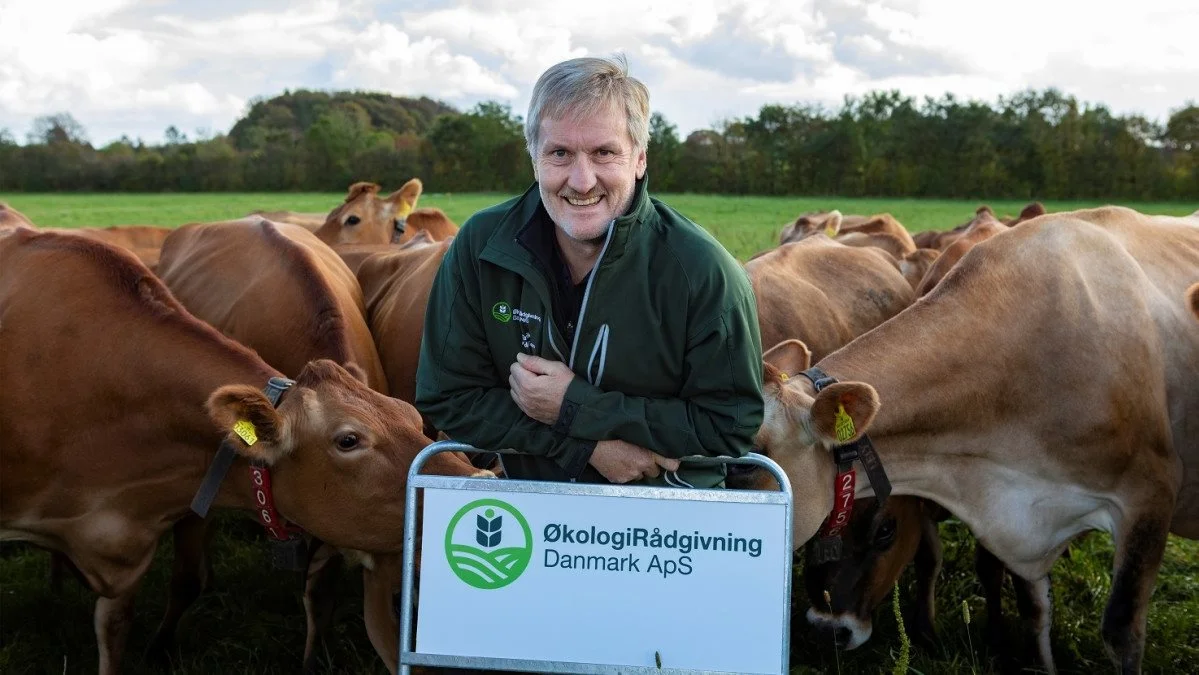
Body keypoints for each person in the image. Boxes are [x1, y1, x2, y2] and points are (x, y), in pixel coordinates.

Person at [414, 55, 763, 487]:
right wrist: (585, 447)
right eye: (560, 153)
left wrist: (574, 404)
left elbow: (729, 424)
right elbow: (448, 396)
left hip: (669, 529)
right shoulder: (482, 246)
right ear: (534, 160)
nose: (581, 181)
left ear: (638, 159)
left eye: (604, 153)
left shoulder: (702, 271)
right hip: (528, 519)